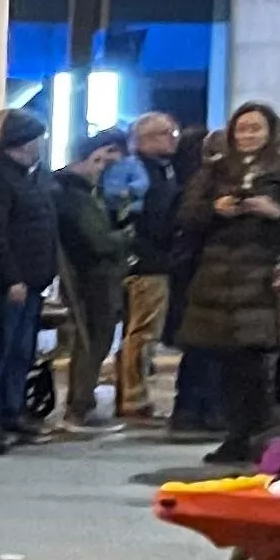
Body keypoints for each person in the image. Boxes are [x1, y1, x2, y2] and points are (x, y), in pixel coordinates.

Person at [179, 101, 280, 467]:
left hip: (262, 281)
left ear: (269, 132)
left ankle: (256, 436)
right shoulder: (213, 173)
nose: (248, 136)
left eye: (255, 129)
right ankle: (236, 435)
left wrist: (276, 212)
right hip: (218, 280)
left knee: (257, 364)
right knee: (228, 364)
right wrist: (216, 210)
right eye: (242, 129)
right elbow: (184, 216)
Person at [0, 110, 60, 441]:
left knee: (22, 349)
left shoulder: (28, 175)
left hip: (34, 279)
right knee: (4, 348)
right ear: (25, 141)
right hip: (14, 282)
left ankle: (13, 408)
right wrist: (12, 278)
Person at [53, 129, 135, 430]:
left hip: (96, 276)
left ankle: (82, 402)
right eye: (100, 162)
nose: (104, 169)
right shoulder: (73, 195)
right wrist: (126, 236)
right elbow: (97, 241)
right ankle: (80, 405)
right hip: (91, 277)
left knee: (96, 341)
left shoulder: (82, 193)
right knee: (91, 341)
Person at [116, 110, 189, 425]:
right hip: (147, 261)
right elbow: (141, 217)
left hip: (161, 259)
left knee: (148, 332)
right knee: (143, 332)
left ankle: (137, 393)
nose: (172, 139)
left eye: (173, 133)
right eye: (163, 134)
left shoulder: (165, 170)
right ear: (142, 140)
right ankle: (133, 396)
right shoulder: (136, 172)